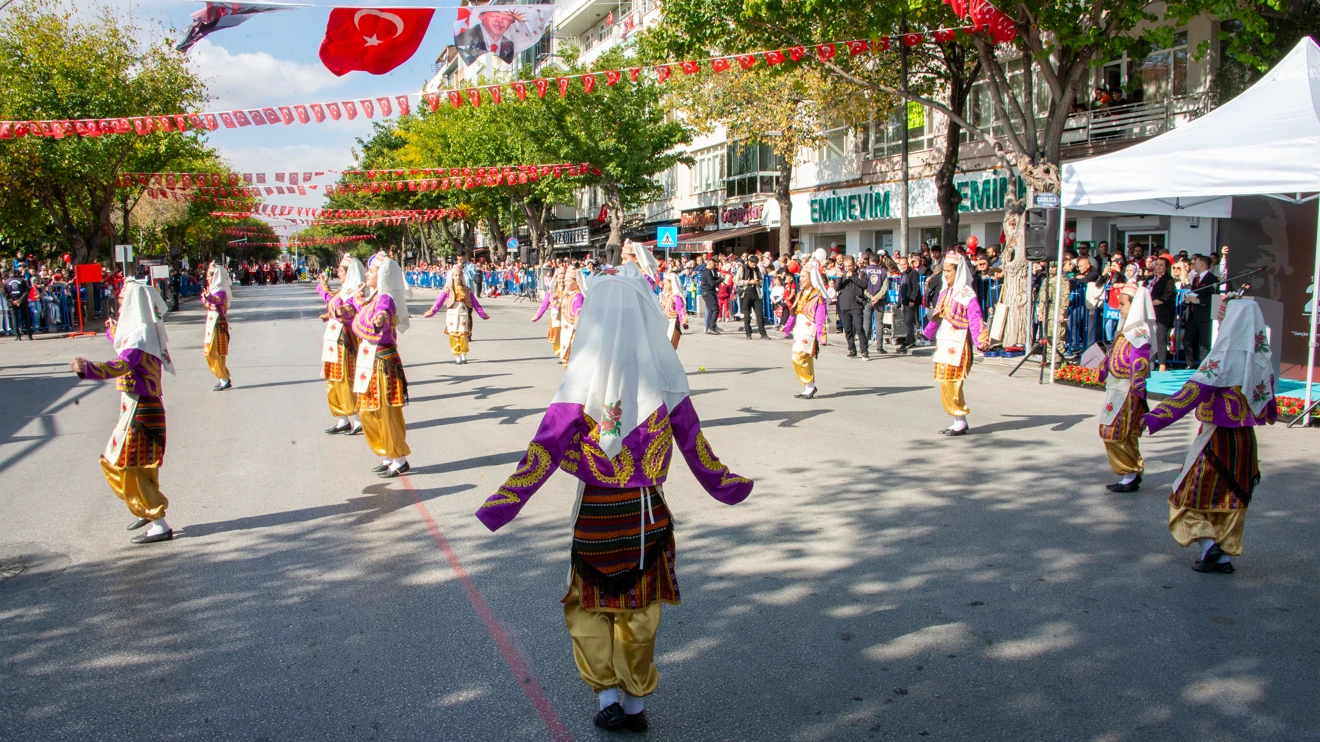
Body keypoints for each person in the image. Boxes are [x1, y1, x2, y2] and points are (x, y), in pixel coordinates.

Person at [473, 262, 753, 732]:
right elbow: (697, 448)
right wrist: (727, 486)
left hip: (595, 516)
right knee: (640, 612)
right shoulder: (665, 380)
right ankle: (636, 704)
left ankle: (606, 696)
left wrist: (502, 504)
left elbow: (542, 452)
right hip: (646, 516)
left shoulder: (578, 383)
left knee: (589, 608)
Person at [1143, 299, 1277, 574]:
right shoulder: (1261, 358)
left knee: (1188, 494)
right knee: (1233, 496)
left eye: (1224, 314)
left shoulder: (1222, 357)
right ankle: (1224, 556)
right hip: (1245, 440)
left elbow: (1192, 393)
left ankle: (1208, 547)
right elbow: (1268, 401)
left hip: (1216, 438)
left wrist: (1156, 417)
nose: (1220, 316)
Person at [69, 279, 175, 544]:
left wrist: (88, 369)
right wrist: (112, 332)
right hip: (142, 407)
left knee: (126, 465)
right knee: (139, 467)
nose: (119, 304)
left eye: (122, 300)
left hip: (140, 411)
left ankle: (157, 521)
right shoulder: (144, 332)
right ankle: (145, 509)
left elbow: (122, 364)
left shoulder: (139, 338)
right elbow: (125, 347)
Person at [353, 255, 412, 478]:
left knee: (385, 412)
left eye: (371, 271)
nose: (367, 274)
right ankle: (387, 455)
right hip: (369, 361)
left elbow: (384, 312)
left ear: (382, 275)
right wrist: (358, 296)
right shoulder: (373, 297)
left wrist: (380, 318)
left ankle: (399, 458)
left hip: (383, 363)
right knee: (368, 412)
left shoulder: (385, 299)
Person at [923, 253, 989, 436]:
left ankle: (960, 418)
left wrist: (981, 340)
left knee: (953, 381)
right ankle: (958, 420)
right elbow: (937, 316)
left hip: (959, 343)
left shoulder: (966, 293)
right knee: (944, 380)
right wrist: (927, 332)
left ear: (958, 271)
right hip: (944, 342)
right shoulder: (944, 292)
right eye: (944, 271)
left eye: (949, 271)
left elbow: (975, 318)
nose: (945, 275)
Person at [1098, 284, 1154, 492]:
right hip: (1117, 390)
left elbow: (1139, 368)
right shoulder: (1126, 332)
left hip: (1126, 393)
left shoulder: (1138, 336)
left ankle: (1130, 471)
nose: (1119, 308)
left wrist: (1139, 396)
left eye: (1122, 304)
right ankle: (1130, 474)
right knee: (1121, 434)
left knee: (1114, 432)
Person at [318, 256, 365, 435]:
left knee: (346, 379)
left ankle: (357, 419)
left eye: (342, 270)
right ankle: (342, 419)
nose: (338, 272)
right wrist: (324, 286)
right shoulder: (343, 291)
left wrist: (336, 305)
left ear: (350, 272)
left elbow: (346, 312)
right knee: (333, 377)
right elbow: (331, 300)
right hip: (333, 339)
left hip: (345, 341)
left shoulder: (356, 294)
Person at [423, 259, 490, 365]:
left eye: (459, 275)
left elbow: (475, 303)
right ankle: (457, 355)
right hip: (452, 315)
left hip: (463, 314)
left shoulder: (466, 290)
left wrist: (482, 314)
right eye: (455, 275)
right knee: (453, 335)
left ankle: (463, 354)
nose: (458, 278)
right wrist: (431, 312)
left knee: (463, 335)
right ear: (452, 276)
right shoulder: (447, 290)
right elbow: (438, 302)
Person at [782, 251, 829, 399]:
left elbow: (821, 317)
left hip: (809, 330)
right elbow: (794, 311)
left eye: (803, 277)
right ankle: (809, 387)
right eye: (800, 276)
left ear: (811, 278)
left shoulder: (818, 296)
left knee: (799, 357)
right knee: (802, 358)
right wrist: (788, 326)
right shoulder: (802, 293)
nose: (800, 279)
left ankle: (809, 383)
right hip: (799, 329)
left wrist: (821, 335)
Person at [1181, 254, 1220, 365]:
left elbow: (1214, 298)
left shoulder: (1212, 279)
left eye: (1196, 263)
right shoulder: (1196, 279)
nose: (1194, 265)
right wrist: (1188, 300)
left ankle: (1204, 365)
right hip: (1193, 315)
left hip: (1205, 316)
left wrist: (1198, 300)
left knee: (1204, 343)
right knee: (1187, 340)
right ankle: (1190, 364)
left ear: (1202, 264)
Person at [201, 262, 233, 391]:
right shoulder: (214, 290)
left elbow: (215, 300)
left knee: (217, 352)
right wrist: (206, 297)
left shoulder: (220, 291)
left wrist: (208, 297)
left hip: (218, 326)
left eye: (210, 275)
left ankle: (224, 379)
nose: (208, 278)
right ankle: (223, 377)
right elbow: (206, 301)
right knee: (209, 352)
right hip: (212, 326)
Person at [836, 255, 867, 358]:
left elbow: (864, 284)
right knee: (848, 329)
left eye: (849, 266)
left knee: (859, 328)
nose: (848, 268)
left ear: (854, 264)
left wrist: (852, 277)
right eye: (846, 266)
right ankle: (852, 349)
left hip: (856, 305)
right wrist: (840, 278)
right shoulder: (843, 274)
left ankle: (864, 350)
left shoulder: (860, 274)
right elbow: (837, 288)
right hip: (844, 305)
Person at [860, 255, 890, 359]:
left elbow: (862, 286)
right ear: (879, 261)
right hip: (879, 300)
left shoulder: (864, 271)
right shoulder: (883, 272)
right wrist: (877, 297)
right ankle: (879, 347)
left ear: (870, 261)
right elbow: (884, 287)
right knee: (879, 323)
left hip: (868, 300)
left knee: (866, 323)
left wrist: (871, 297)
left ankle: (864, 347)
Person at [533, 266, 566, 356]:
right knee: (556, 337)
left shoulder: (569, 289)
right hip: (555, 317)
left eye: (564, 278)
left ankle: (566, 353)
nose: (562, 281)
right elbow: (544, 305)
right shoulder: (552, 290)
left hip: (566, 317)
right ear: (556, 278)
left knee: (566, 336)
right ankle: (560, 352)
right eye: (560, 278)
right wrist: (537, 315)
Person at [555, 270, 585, 365]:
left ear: (576, 282)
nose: (565, 282)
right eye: (565, 280)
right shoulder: (567, 294)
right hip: (565, 327)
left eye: (568, 280)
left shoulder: (578, 295)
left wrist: (577, 322)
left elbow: (578, 309)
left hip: (573, 327)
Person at [736, 256, 768, 339]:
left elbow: (761, 279)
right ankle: (748, 333)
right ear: (749, 262)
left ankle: (763, 333)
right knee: (747, 315)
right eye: (753, 264)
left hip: (756, 293)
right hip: (746, 293)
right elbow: (737, 281)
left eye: (755, 265)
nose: (754, 266)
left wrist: (758, 281)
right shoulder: (742, 269)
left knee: (759, 314)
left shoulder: (757, 269)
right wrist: (748, 282)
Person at [659, 271, 688, 349]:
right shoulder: (666, 294)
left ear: (672, 284)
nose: (664, 286)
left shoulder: (676, 297)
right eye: (664, 284)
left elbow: (680, 309)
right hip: (665, 321)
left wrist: (683, 321)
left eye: (666, 284)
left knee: (670, 344)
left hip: (673, 322)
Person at [5, 268, 33, 341]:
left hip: (12, 303)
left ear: (9, 274)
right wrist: (20, 300)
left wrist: (13, 301)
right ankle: (29, 335)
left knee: (15, 319)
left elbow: (5, 294)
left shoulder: (6, 282)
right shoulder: (22, 280)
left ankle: (18, 336)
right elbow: (27, 291)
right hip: (22, 302)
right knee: (26, 318)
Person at [699, 258, 720, 334]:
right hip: (708, 293)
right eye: (714, 265)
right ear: (710, 264)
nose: (714, 267)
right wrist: (720, 280)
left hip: (708, 292)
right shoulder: (707, 272)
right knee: (715, 309)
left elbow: (713, 279)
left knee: (710, 310)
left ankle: (709, 327)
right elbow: (712, 283)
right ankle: (712, 327)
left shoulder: (708, 272)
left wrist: (718, 278)